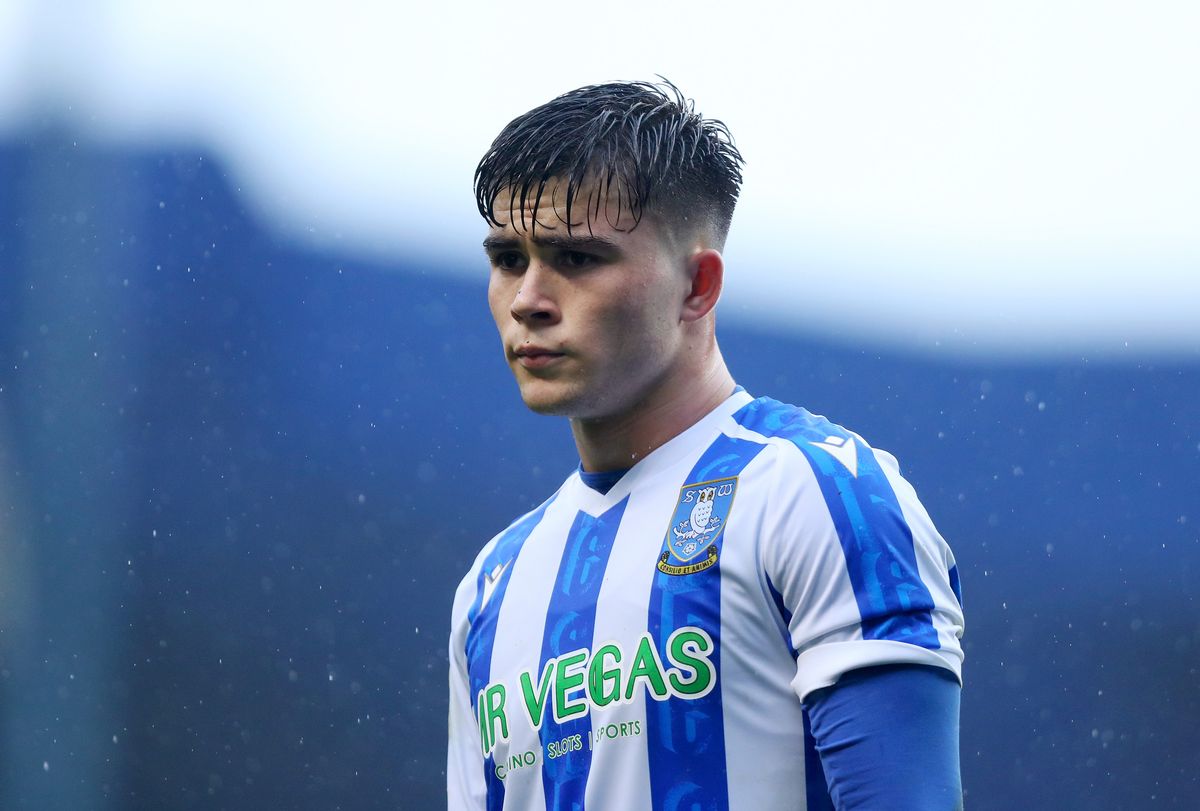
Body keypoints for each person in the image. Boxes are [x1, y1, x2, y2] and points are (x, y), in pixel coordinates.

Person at [447, 80, 965, 811]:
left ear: (698, 284)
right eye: (507, 257)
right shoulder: (491, 585)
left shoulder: (817, 492)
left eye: (576, 258)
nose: (529, 297)